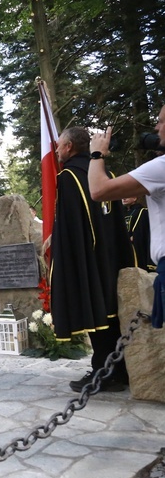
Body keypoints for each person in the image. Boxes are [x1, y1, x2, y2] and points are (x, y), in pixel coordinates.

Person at [51, 126, 134, 392]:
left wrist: (67, 261)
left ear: (68, 147)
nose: (55, 150)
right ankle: (118, 370)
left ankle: (102, 372)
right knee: (110, 314)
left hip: (87, 257)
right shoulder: (101, 172)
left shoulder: (69, 176)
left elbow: (71, 225)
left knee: (97, 313)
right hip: (110, 255)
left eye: (59, 145)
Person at [88, 105, 165, 330]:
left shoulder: (161, 167)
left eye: (160, 121)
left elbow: (98, 190)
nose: (156, 127)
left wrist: (97, 153)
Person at [122, 197, 154, 271]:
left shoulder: (142, 211)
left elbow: (144, 230)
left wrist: (135, 236)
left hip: (137, 248)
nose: (124, 198)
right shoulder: (121, 213)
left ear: (134, 198)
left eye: (127, 196)